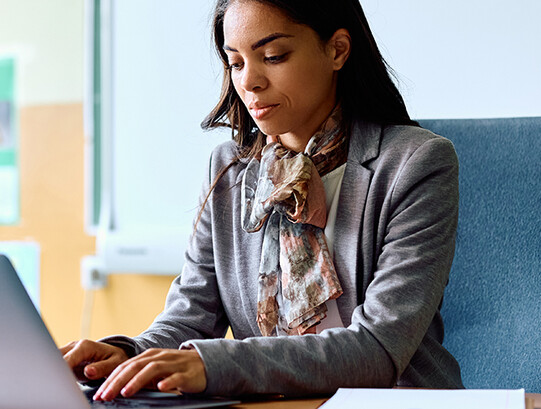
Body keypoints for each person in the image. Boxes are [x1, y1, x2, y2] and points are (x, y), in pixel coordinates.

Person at [62, 0, 463, 400]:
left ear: (337, 49)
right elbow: (191, 316)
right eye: (235, 62)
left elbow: (378, 348)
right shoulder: (229, 169)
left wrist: (215, 364)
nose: (249, 81)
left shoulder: (416, 164)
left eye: (273, 56)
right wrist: (128, 353)